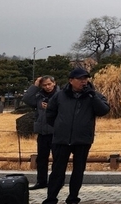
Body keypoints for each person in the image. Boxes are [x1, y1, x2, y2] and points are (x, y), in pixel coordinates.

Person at [42, 68, 110, 204]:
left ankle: (73, 197)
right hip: (61, 139)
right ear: (71, 81)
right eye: (80, 79)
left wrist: (93, 96)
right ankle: (51, 198)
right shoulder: (60, 95)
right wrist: (60, 127)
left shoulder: (93, 95)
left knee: (78, 170)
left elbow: (104, 110)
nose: (83, 81)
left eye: (85, 78)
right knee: (57, 171)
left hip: (82, 139)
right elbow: (50, 113)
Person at [22, 76, 60, 191]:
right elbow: (27, 99)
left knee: (58, 159)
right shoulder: (39, 95)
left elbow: (64, 109)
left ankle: (57, 182)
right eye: (44, 85)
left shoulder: (61, 95)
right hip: (42, 132)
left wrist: (50, 107)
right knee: (41, 159)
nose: (47, 87)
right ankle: (41, 181)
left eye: (49, 84)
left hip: (56, 132)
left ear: (54, 83)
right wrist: (35, 85)